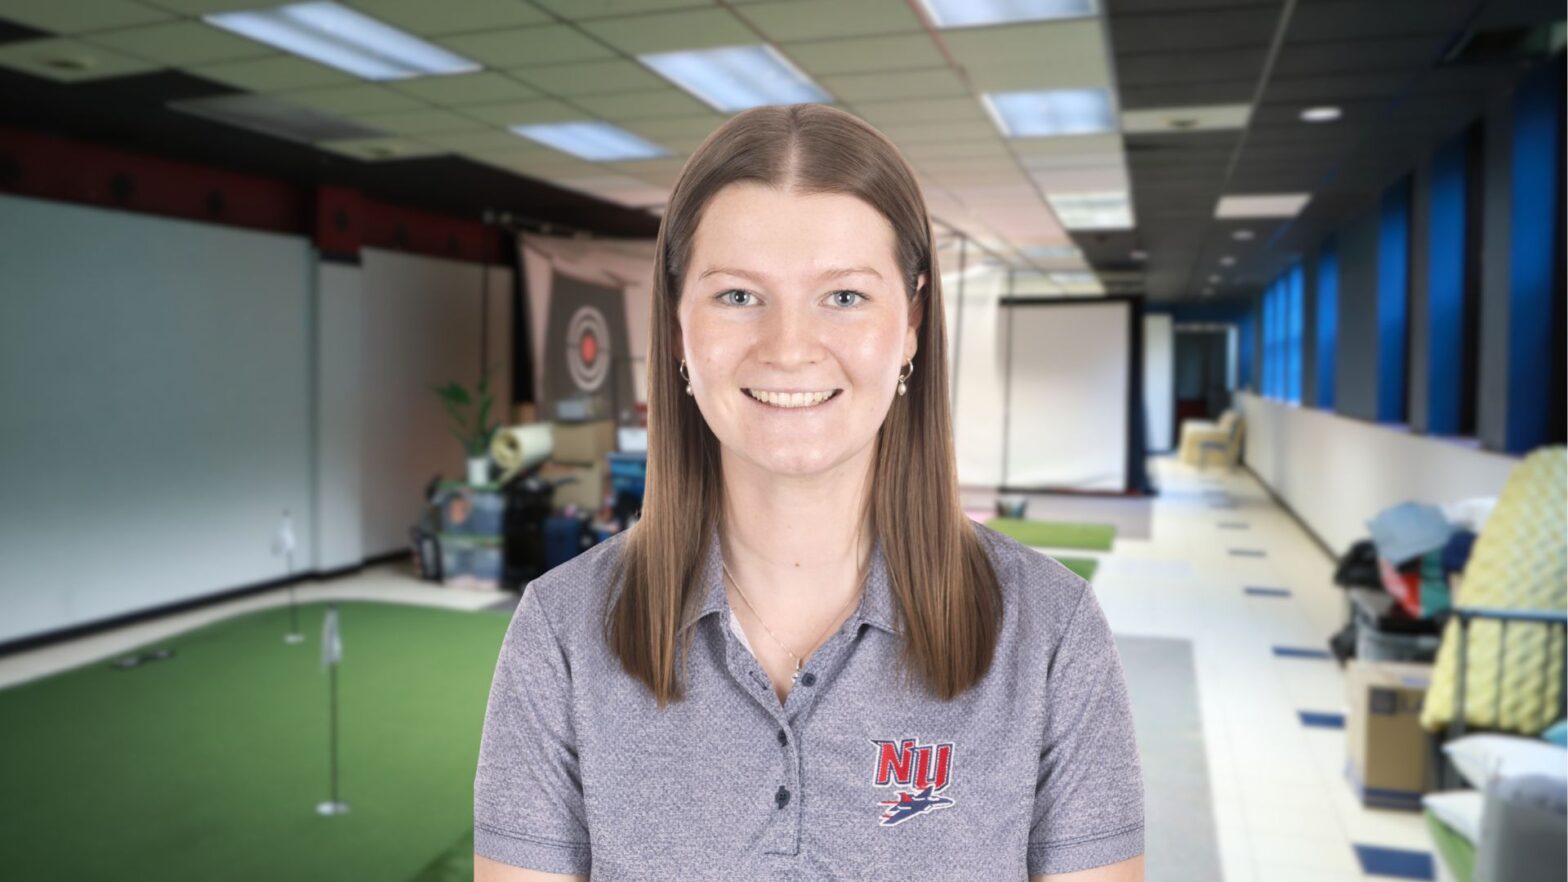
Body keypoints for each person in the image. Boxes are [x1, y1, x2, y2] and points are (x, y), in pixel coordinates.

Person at [474, 103, 1144, 882]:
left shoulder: (1052, 635)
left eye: (845, 296)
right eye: (737, 296)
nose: (789, 349)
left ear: (912, 321)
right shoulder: (560, 633)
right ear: (678, 324)